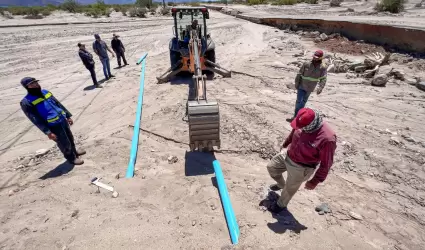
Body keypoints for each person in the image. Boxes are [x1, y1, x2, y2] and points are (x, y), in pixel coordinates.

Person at [266, 108, 336, 214]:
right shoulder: (302, 122)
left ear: (310, 126)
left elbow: (326, 164)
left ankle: (280, 205)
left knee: (290, 188)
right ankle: (281, 185)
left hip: (302, 167)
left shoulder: (328, 138)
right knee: (272, 167)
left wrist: (314, 181)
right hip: (288, 154)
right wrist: (285, 144)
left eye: (302, 127)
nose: (299, 128)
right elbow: (294, 132)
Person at [20, 77, 86, 165]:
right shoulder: (26, 102)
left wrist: (68, 115)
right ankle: (71, 158)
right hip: (53, 125)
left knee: (70, 138)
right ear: (27, 87)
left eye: (36, 82)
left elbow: (58, 104)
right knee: (63, 142)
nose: (36, 84)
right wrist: (48, 132)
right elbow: (35, 120)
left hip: (62, 120)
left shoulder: (45, 92)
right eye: (32, 84)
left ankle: (75, 152)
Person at [287, 50, 327, 122]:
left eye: (317, 57)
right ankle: (296, 116)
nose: (315, 58)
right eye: (314, 57)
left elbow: (323, 78)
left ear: (321, 58)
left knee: (303, 102)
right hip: (302, 85)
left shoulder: (322, 67)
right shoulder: (306, 64)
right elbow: (299, 74)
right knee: (299, 101)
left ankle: (298, 116)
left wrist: (320, 88)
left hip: (310, 88)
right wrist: (296, 83)